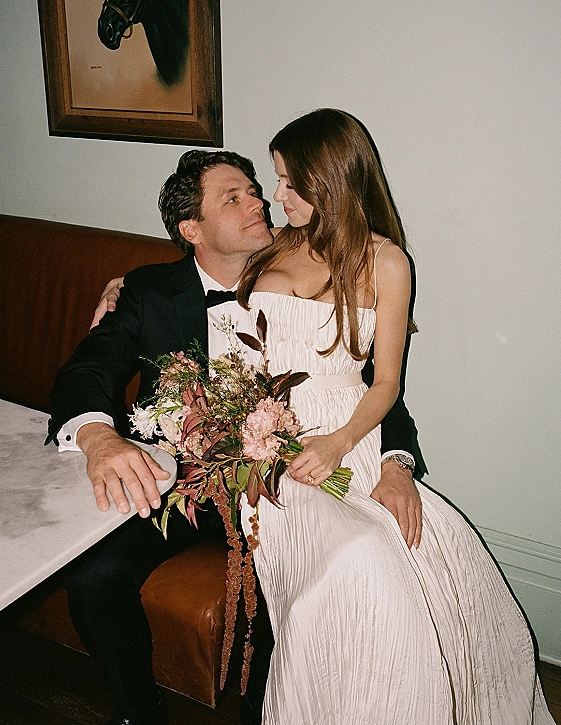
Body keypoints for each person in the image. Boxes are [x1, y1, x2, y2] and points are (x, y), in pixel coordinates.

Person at [47, 148, 426, 725]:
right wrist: (100, 439)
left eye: (254, 189)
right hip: (181, 480)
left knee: (315, 576)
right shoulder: (148, 293)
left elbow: (364, 377)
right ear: (191, 229)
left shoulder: (299, 262)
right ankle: (137, 713)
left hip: (282, 481)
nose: (257, 202)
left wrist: (397, 463)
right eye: (234, 197)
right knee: (93, 574)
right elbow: (86, 370)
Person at [231, 108, 555, 724]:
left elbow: (384, 385)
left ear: (326, 182)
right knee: (362, 556)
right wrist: (121, 285)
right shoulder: (276, 245)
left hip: (351, 433)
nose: (276, 196)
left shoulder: (387, 262)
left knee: (435, 548)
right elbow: (202, 286)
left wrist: (345, 445)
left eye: (287, 181)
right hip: (272, 447)